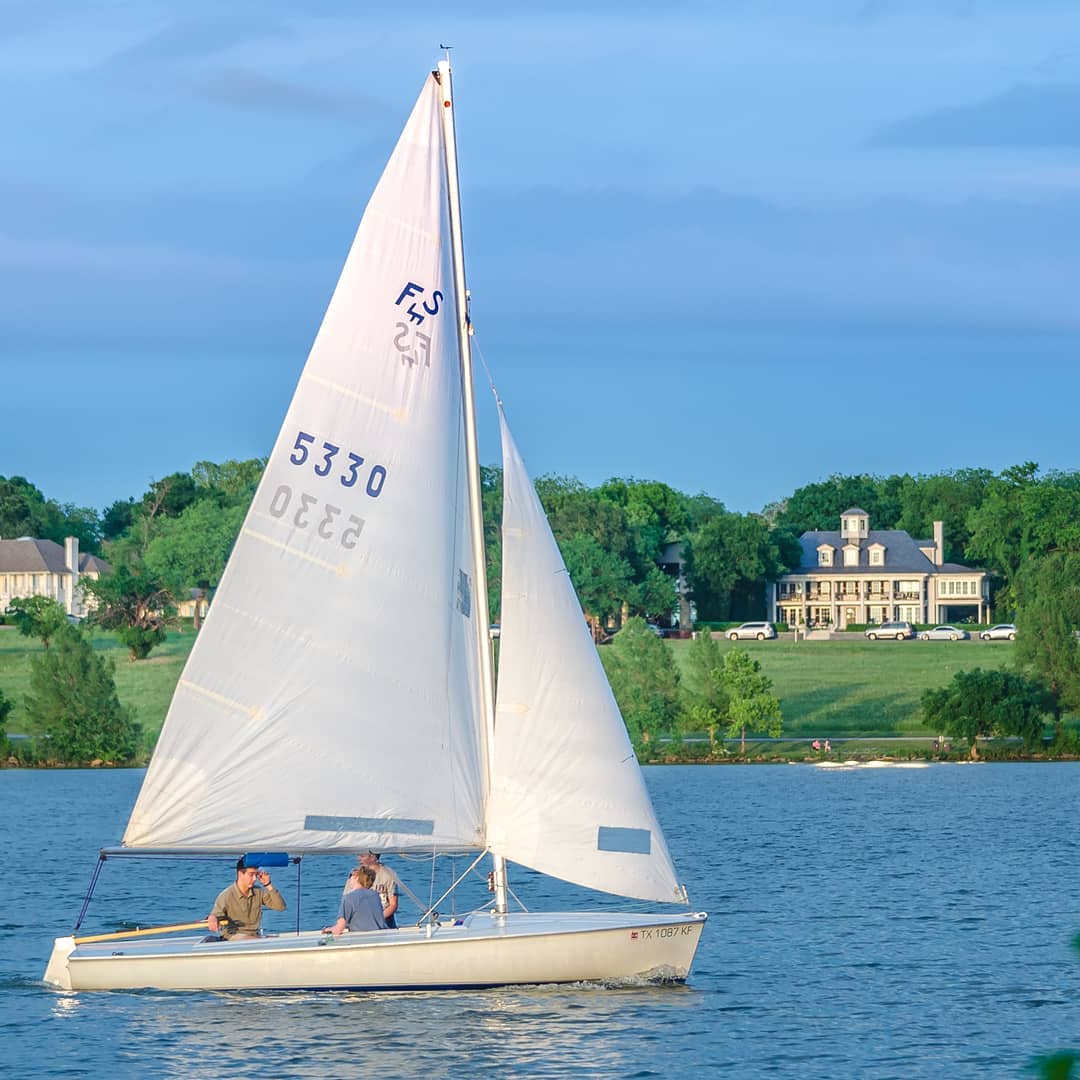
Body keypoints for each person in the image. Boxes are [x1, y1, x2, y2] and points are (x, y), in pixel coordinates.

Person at [207, 858, 286, 939]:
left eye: (256, 874)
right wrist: (212, 918)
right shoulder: (226, 895)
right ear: (240, 874)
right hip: (233, 936)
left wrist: (268, 884)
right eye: (251, 875)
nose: (255, 878)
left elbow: (280, 907)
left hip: (254, 935)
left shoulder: (258, 892)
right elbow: (215, 914)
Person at [324, 867, 389, 935]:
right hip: (382, 934)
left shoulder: (348, 898)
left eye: (351, 875)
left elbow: (339, 928)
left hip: (361, 937)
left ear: (356, 877)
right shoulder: (375, 895)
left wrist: (328, 929)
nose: (349, 879)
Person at [358, 850, 400, 929]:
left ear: (373, 857)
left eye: (362, 856)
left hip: (384, 921)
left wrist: (377, 918)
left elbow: (393, 905)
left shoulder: (388, 874)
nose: (359, 859)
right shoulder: (356, 875)